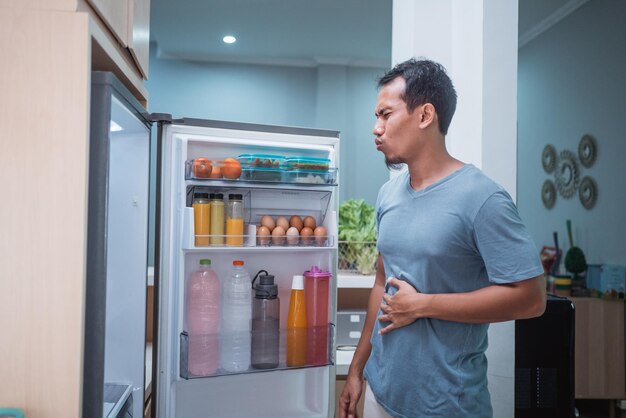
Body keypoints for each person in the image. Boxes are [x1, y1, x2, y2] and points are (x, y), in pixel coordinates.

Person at [338, 58, 547, 418]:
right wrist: (357, 371)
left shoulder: (482, 199)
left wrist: (423, 304)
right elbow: (380, 285)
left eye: (386, 114)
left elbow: (531, 299)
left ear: (425, 115)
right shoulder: (388, 195)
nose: (376, 128)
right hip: (381, 394)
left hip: (447, 405)